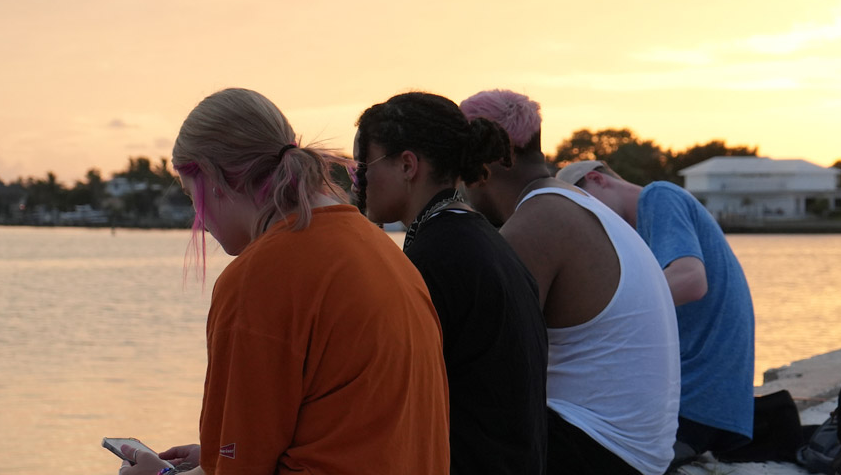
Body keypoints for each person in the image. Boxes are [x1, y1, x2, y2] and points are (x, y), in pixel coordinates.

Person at [117, 87, 449, 475]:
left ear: (210, 177)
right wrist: (210, 460)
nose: (201, 220)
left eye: (193, 197)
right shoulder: (381, 250)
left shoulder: (257, 280)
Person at [458, 89, 680, 475]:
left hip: (601, 451)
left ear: (489, 156)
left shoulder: (537, 222)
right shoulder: (572, 202)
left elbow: (491, 361)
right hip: (637, 449)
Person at [353, 91, 550, 475]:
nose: (359, 180)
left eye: (363, 165)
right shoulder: (481, 241)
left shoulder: (436, 257)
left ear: (408, 165)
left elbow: (385, 396)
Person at [556, 161, 756, 470]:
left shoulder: (659, 195)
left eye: (585, 206)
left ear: (597, 179)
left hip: (695, 407)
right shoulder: (644, 240)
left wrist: (601, 307)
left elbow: (691, 281)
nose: (589, 220)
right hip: (711, 409)